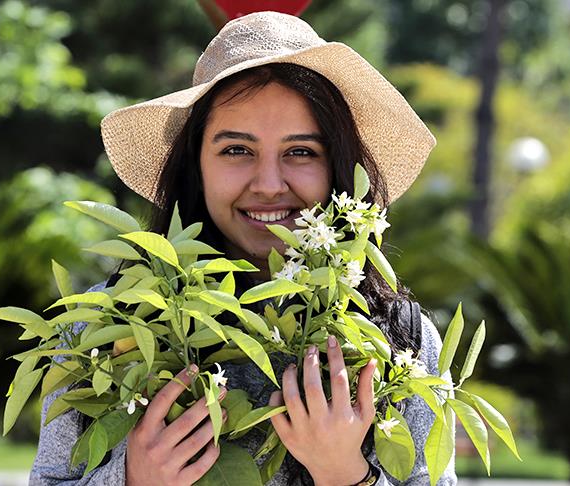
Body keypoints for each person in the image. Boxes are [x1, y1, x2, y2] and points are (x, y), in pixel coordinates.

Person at [31, 11, 456, 486]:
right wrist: (134, 479)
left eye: (301, 152)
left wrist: (344, 473)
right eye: (236, 150)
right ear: (195, 166)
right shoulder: (108, 326)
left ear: (337, 166)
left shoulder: (396, 338)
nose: (269, 184)